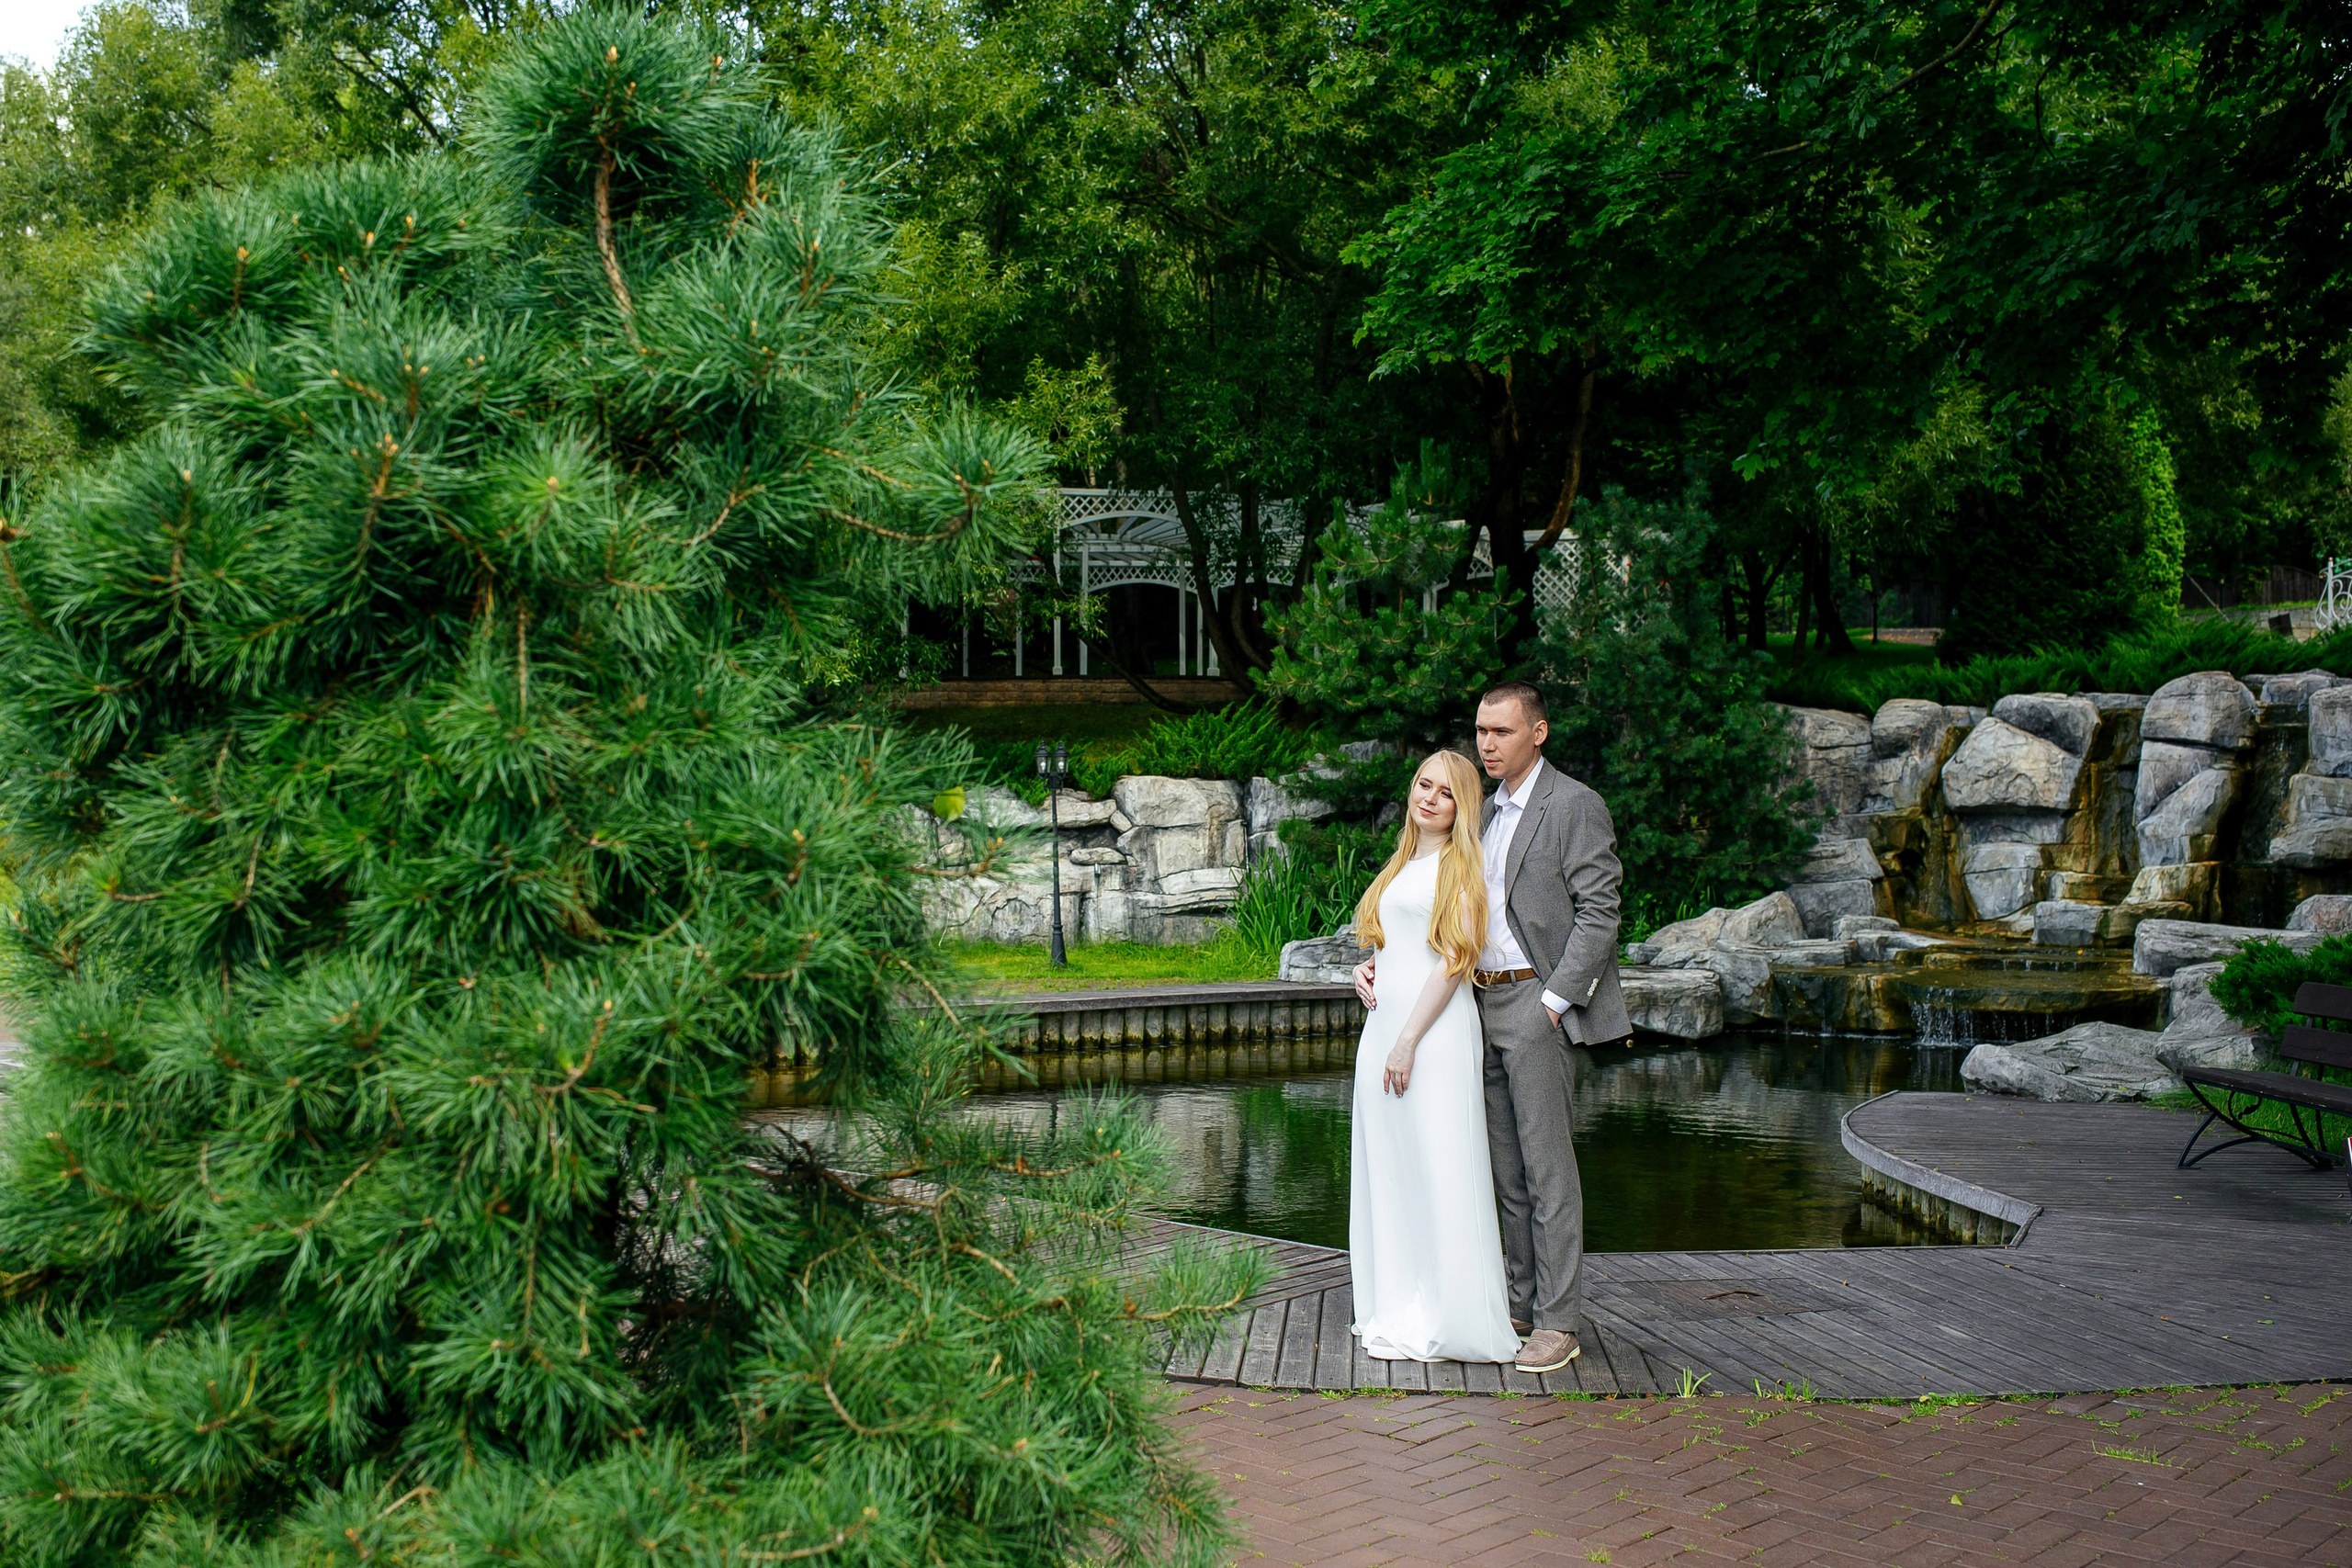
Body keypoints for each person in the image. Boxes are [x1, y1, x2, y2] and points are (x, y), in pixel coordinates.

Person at [1354, 682, 1628, 1374]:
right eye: (1481, 730)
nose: (1487, 743)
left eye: (1501, 731)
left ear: (1538, 732)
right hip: (1475, 1004)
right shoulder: (1484, 815)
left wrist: (1555, 1001)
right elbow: (1440, 913)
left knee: (1547, 1168)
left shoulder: (1573, 805)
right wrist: (1375, 967)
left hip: (1536, 1001)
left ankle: (1559, 1321)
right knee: (1503, 1168)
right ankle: (1518, 1302)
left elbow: (1600, 912)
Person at [1345, 748, 1521, 1364]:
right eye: (1424, 784)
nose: (1430, 798)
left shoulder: (1459, 865)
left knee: (1438, 1164)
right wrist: (1366, 972)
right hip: (1385, 1029)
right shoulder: (1402, 861)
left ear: (1462, 806)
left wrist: (1407, 1039)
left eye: (1446, 793)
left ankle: (1450, 1312)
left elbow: (1453, 961)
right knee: (1389, 1166)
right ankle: (1396, 1300)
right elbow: (1397, 945)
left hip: (1430, 1036)